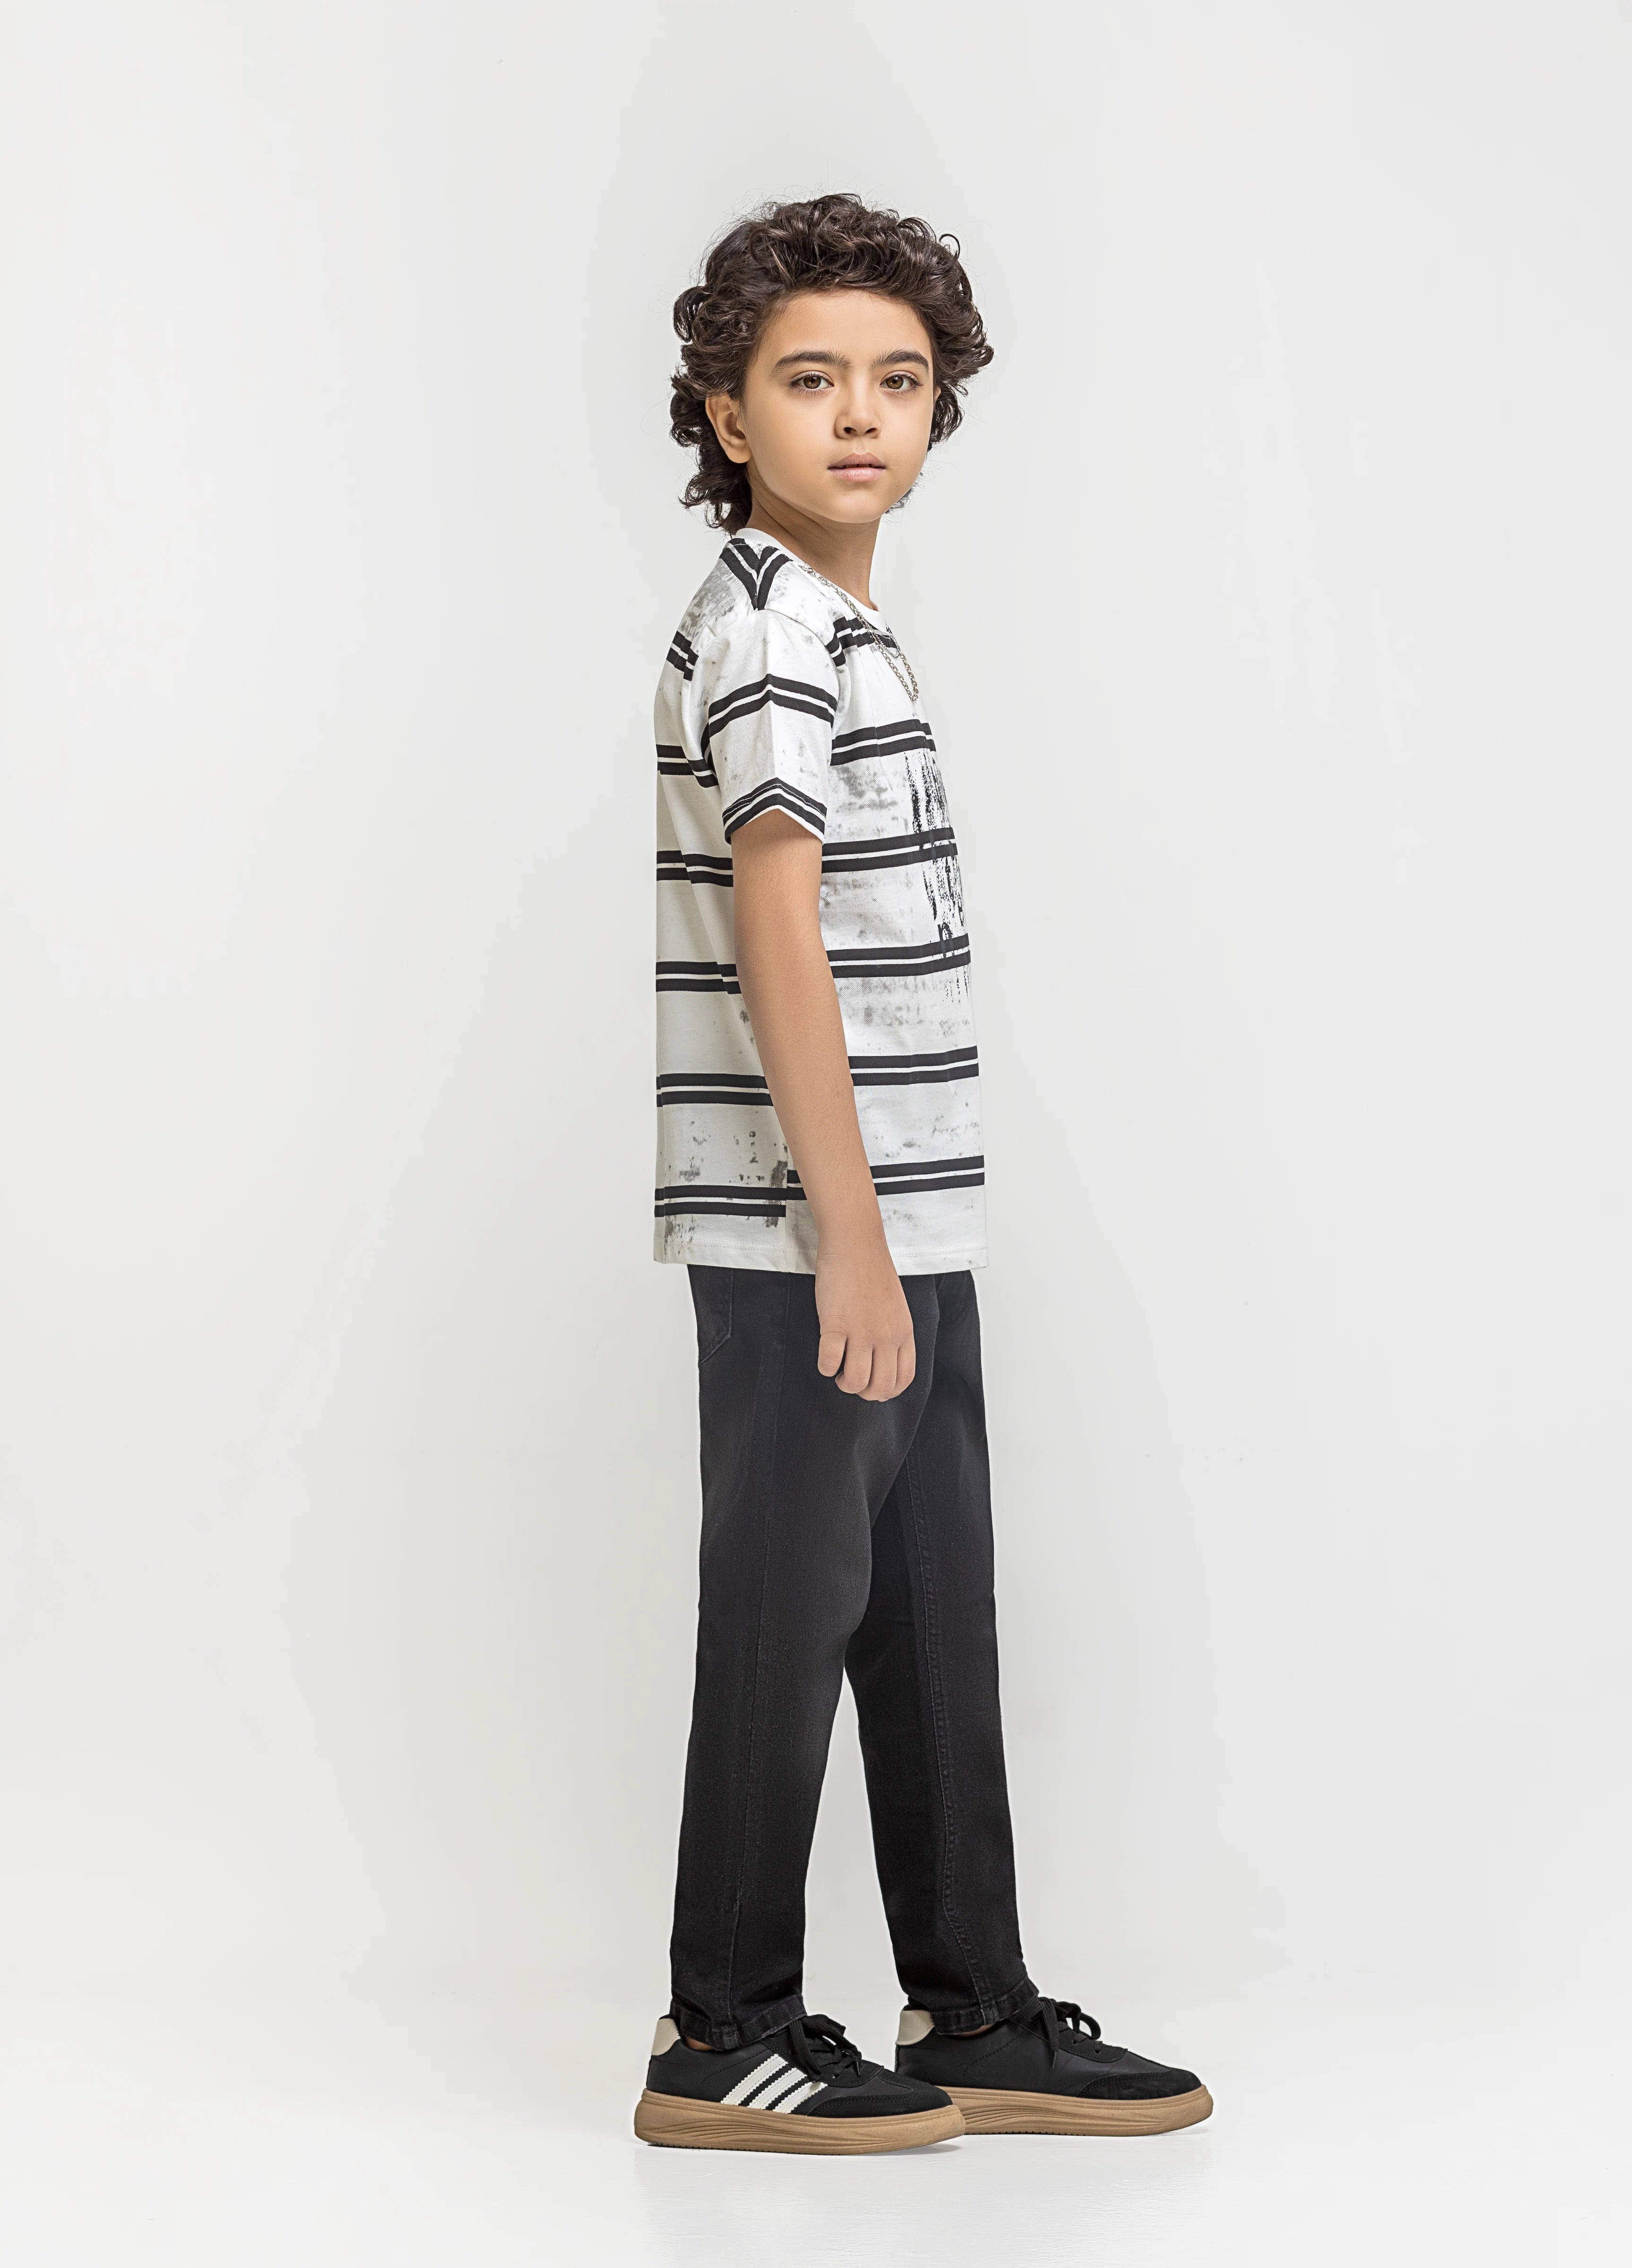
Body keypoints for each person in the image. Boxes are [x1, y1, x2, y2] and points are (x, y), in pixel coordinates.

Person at [634, 194, 1212, 2156]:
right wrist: (848, 1244)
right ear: (729, 413)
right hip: (818, 1233)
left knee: (930, 1615)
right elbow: (780, 937)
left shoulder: (842, 626)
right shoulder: (765, 634)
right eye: (811, 379)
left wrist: (900, 1239)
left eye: (899, 378)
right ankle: (721, 2028)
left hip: (903, 1224)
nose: (862, 414)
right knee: (786, 1614)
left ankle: (975, 2003)